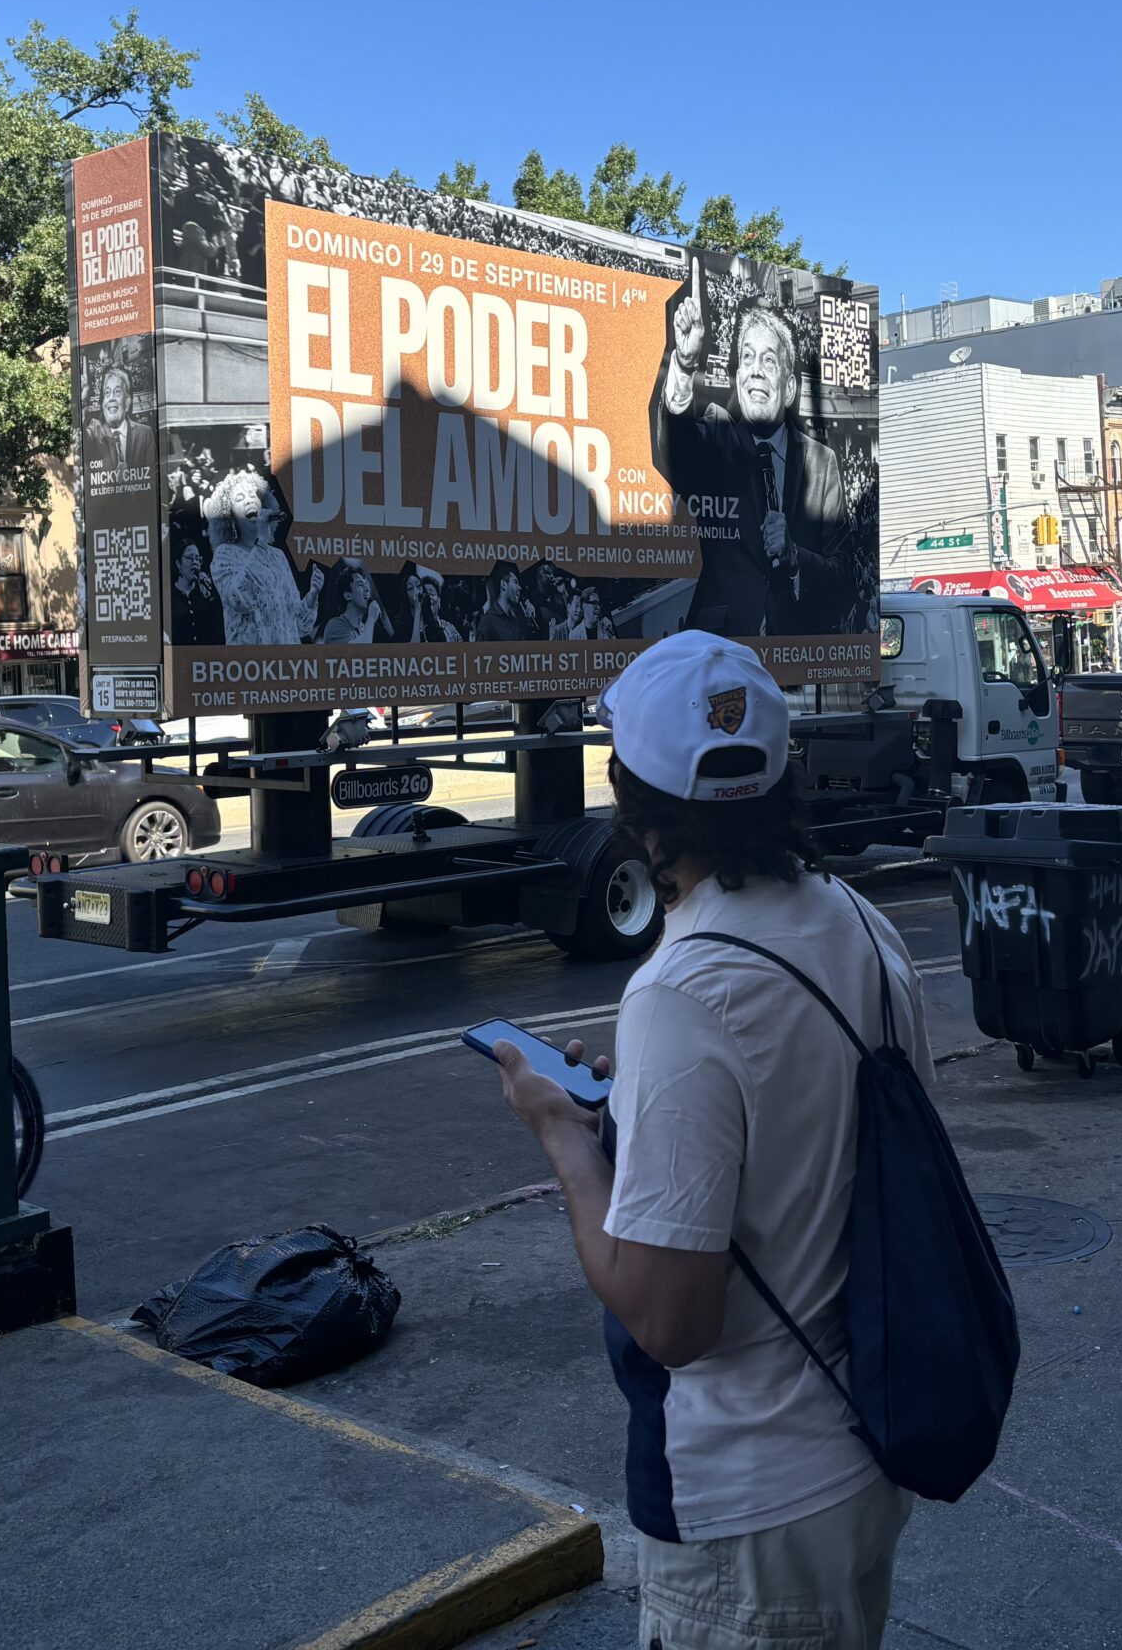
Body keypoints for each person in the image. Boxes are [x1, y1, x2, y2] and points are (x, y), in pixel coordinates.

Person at [493, 630, 924, 1648]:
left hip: (751, 1512)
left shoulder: (684, 991)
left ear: (627, 801)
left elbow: (672, 1321)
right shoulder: (858, 924)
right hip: (862, 1449)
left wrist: (564, 1139)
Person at [650, 296, 857, 640]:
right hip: (721, 648)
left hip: (795, 652)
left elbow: (845, 577)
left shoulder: (821, 463)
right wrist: (685, 365)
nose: (756, 369)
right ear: (738, 379)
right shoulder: (718, 434)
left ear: (788, 389)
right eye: (747, 357)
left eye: (769, 360)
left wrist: (795, 556)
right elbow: (677, 449)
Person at [203, 470, 324, 646]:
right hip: (252, 661)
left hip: (286, 659)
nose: (249, 500)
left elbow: (299, 626)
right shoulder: (225, 555)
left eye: (253, 495)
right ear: (229, 517)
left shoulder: (278, 556)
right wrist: (261, 542)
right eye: (240, 498)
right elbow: (240, 600)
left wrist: (312, 594)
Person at [86, 362, 156, 470]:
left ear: (127, 402)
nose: (111, 398)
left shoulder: (145, 434)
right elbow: (81, 443)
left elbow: (153, 475)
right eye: (107, 393)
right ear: (103, 403)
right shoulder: (95, 430)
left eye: (117, 392)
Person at [169, 540, 224, 647]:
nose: (194, 562)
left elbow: (217, 632)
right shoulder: (170, 596)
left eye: (197, 558)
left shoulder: (205, 592)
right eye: (190, 558)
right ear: (178, 563)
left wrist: (209, 596)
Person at [318, 560, 385, 643]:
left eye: (366, 584)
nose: (367, 589)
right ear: (348, 595)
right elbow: (361, 650)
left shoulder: (363, 629)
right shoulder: (335, 625)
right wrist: (371, 618)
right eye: (360, 584)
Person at [473, 561, 541, 642]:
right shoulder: (488, 621)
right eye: (515, 582)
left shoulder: (516, 622)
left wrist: (529, 623)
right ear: (504, 584)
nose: (519, 588)